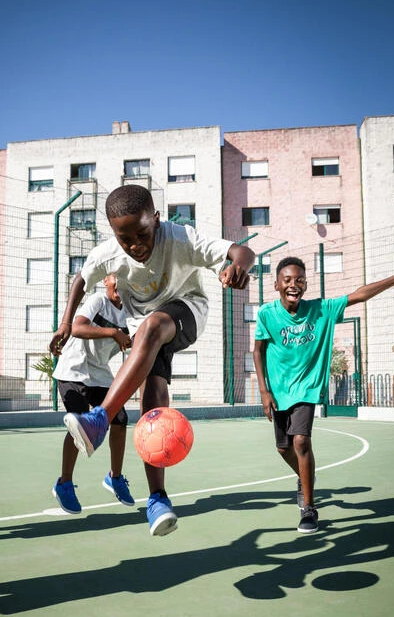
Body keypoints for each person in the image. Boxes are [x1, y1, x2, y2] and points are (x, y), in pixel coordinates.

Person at [49, 184, 255, 536]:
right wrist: (66, 323)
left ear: (156, 220)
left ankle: (99, 420)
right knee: (152, 405)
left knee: (153, 324)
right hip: (144, 333)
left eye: (142, 234)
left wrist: (238, 266)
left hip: (186, 312)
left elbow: (241, 251)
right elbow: (81, 280)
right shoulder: (108, 254)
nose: (135, 245)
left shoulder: (180, 238)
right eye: (124, 238)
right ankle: (158, 499)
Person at [253, 256, 394, 534]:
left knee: (301, 441)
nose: (294, 285)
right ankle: (305, 477)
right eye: (288, 280)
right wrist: (264, 390)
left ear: (306, 285)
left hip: (307, 388)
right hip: (279, 392)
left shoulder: (321, 309)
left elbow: (360, 295)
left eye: (300, 280)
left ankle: (309, 508)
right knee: (283, 448)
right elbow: (257, 351)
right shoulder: (266, 314)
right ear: (276, 284)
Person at [51, 273, 136, 514]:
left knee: (120, 419)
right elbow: (77, 328)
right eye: (115, 277)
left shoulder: (131, 312)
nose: (119, 282)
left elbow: (135, 340)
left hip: (99, 372)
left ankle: (115, 477)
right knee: (78, 422)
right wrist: (113, 333)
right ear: (106, 281)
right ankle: (64, 483)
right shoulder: (98, 300)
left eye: (125, 277)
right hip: (73, 367)